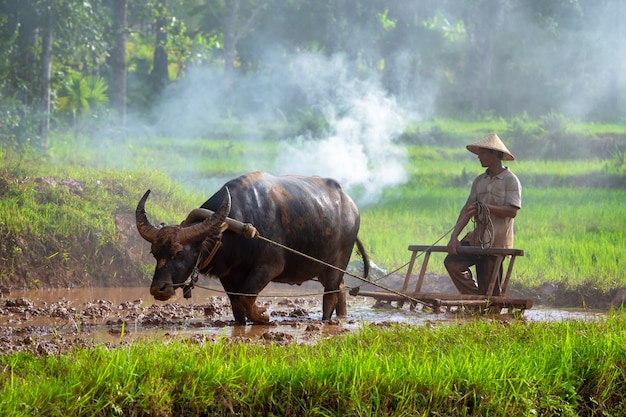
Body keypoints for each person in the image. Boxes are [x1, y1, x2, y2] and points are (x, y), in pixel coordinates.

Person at [444, 134, 522, 296]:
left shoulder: (510, 180)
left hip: (496, 243)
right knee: (452, 263)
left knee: (491, 291)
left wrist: (485, 207)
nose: (479, 157)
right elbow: (468, 209)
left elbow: (512, 211)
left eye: (483, 154)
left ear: (495, 154)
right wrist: (454, 236)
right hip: (476, 239)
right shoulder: (479, 181)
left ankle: (488, 309)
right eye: (479, 154)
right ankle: (474, 298)